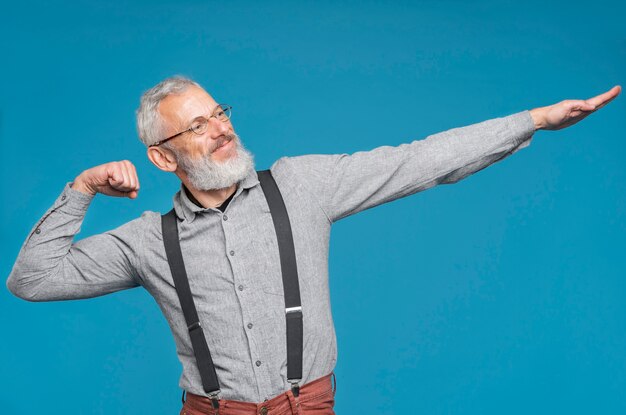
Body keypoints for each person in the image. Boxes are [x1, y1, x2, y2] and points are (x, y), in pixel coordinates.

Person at [6, 77, 621, 415]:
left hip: (308, 408)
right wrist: (81, 188)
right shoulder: (145, 241)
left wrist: (532, 120)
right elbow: (32, 280)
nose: (221, 128)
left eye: (219, 112)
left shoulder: (300, 186)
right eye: (197, 125)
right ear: (163, 157)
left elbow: (417, 162)